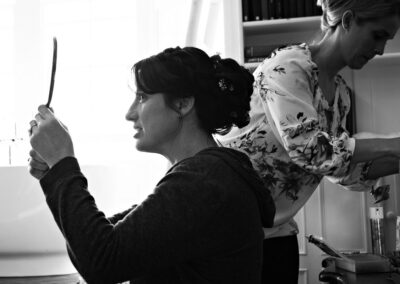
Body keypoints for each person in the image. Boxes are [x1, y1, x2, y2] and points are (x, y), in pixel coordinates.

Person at [28, 47, 275, 284]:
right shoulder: (207, 177)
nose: (130, 113)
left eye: (142, 97)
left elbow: (100, 260)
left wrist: (62, 161)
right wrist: (55, 171)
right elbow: (91, 242)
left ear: (182, 104)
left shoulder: (204, 183)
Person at [218, 0, 400, 283]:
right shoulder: (287, 68)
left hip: (277, 233)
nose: (380, 49)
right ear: (348, 20)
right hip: (227, 233)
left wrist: (395, 161)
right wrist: (393, 144)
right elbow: (311, 151)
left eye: (387, 40)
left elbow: (338, 168)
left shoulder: (340, 94)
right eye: (378, 35)